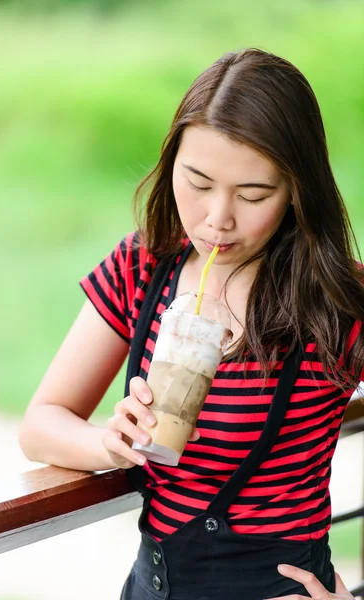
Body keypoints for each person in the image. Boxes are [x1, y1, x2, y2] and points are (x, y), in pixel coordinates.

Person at [18, 48, 364, 600]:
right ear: (171, 160)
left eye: (254, 194)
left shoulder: (338, 299)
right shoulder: (143, 267)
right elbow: (41, 425)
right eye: (198, 182)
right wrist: (112, 444)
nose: (217, 218)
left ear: (299, 190)